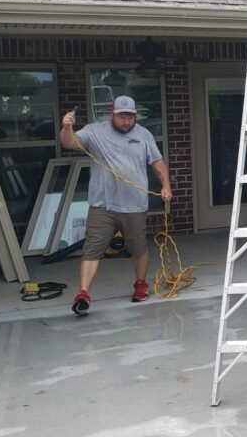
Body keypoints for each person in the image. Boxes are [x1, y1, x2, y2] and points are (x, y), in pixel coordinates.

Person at [60, 95, 172, 315]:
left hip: (134, 205)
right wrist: (66, 127)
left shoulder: (144, 135)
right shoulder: (94, 131)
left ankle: (141, 285)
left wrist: (166, 185)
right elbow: (69, 143)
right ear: (112, 113)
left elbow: (157, 162)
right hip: (103, 204)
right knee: (92, 249)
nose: (127, 121)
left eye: (130, 116)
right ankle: (83, 293)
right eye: (122, 116)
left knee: (138, 247)